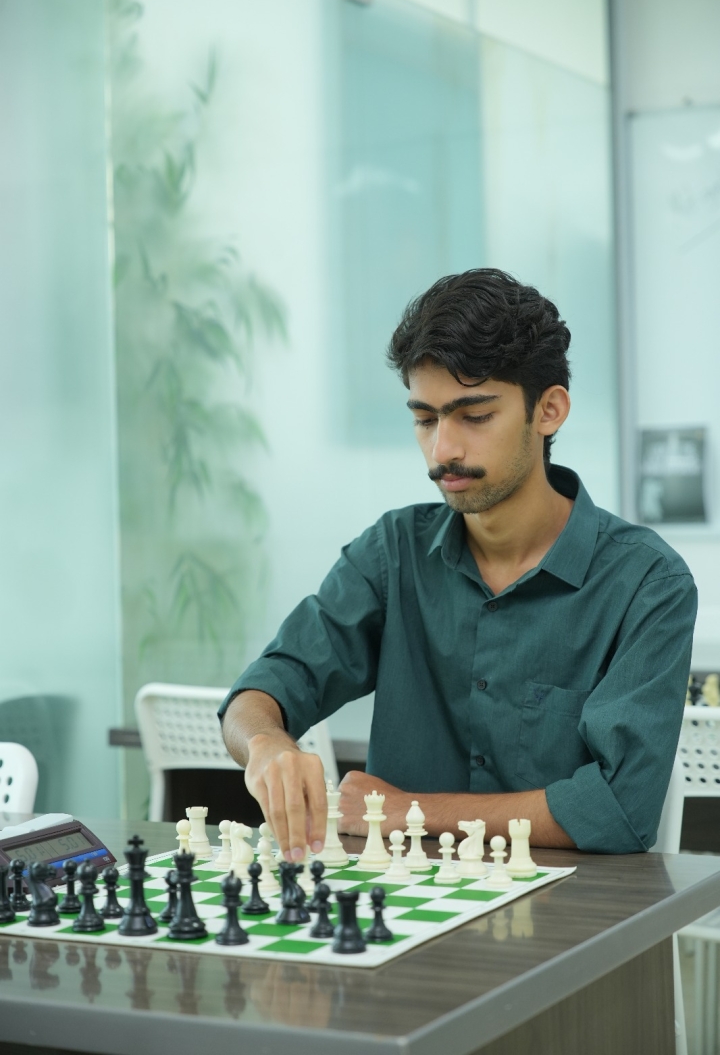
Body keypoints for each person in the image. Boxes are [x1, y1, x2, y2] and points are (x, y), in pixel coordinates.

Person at [220, 268, 696, 860]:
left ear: (548, 411)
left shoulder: (648, 583)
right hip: (399, 906)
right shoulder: (392, 551)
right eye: (425, 419)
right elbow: (262, 690)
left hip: (571, 911)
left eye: (474, 416)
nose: (442, 449)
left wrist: (408, 812)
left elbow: (619, 810)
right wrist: (266, 743)